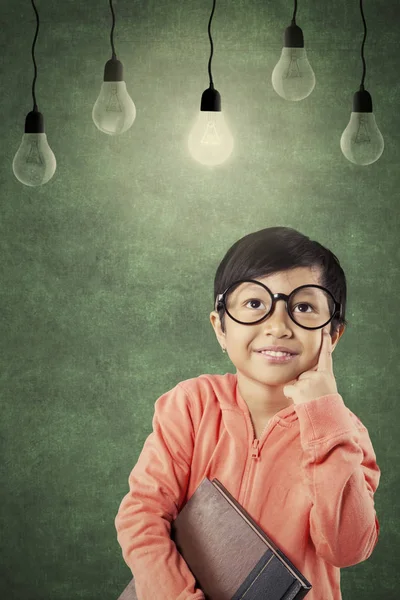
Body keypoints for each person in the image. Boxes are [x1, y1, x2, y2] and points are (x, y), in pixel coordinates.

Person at [115, 226, 381, 600]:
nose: (277, 325)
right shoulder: (190, 404)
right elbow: (142, 516)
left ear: (332, 336)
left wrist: (324, 415)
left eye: (304, 307)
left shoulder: (345, 432)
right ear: (220, 328)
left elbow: (348, 547)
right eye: (255, 304)